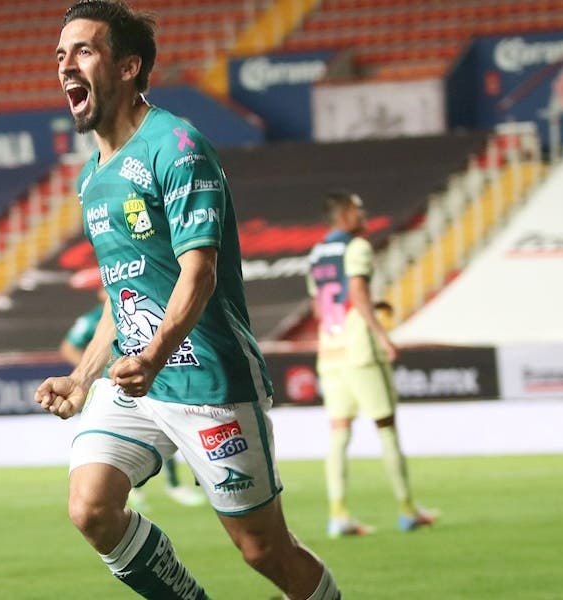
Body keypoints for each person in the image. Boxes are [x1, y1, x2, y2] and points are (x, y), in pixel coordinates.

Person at [35, 3, 341, 598]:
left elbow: (198, 273)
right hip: (136, 384)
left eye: (84, 51)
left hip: (206, 380)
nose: (66, 65)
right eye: (60, 55)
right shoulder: (91, 177)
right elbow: (121, 292)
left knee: (264, 550)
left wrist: (153, 356)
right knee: (90, 508)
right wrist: (82, 376)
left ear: (128, 67)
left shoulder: (176, 146)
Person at [306, 190, 436, 538]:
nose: (363, 216)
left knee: (339, 433)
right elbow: (357, 293)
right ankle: (407, 510)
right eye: (358, 210)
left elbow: (320, 308)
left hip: (330, 352)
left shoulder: (316, 254)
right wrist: (382, 335)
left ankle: (338, 515)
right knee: (386, 428)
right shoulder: (357, 247)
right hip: (360, 351)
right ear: (344, 215)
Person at [60, 286, 205, 510]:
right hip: (114, 384)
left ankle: (174, 484)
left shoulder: (146, 305)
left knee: (165, 432)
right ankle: (136, 490)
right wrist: (89, 371)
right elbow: (69, 347)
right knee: (117, 444)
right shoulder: (93, 319)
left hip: (152, 376)